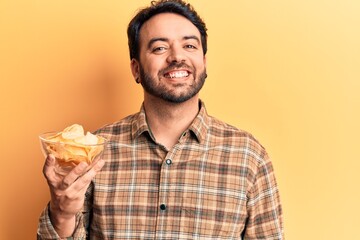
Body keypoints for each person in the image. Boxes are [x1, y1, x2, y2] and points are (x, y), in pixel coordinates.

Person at [37, 0, 284, 239]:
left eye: (189, 46)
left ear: (204, 62)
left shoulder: (249, 157)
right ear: (136, 69)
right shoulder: (93, 151)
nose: (177, 57)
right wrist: (62, 213)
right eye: (159, 48)